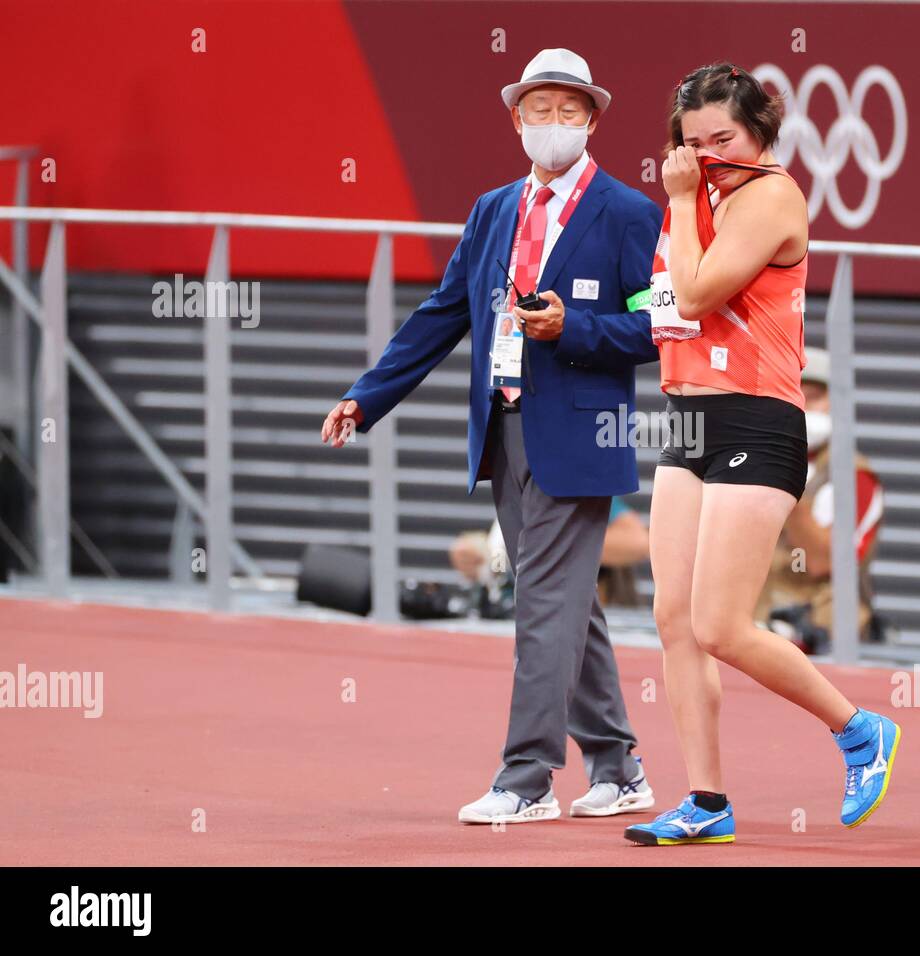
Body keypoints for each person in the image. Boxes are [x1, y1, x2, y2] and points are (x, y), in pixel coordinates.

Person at [321, 48, 662, 824]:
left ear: (592, 120)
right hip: (503, 431)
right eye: (537, 109)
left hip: (581, 436)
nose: (552, 123)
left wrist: (572, 328)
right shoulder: (491, 211)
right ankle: (619, 767)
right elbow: (441, 315)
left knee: (542, 602)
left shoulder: (631, 214)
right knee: (568, 604)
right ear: (515, 119)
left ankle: (527, 779)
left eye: (567, 109)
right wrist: (366, 397)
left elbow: (658, 326)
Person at [624, 63, 901, 847]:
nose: (709, 153)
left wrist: (680, 200)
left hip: (756, 421)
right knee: (673, 619)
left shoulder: (770, 194)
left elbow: (703, 290)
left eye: (725, 139)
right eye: (693, 143)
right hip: (687, 417)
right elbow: (669, 305)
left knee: (719, 623)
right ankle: (706, 802)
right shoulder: (700, 200)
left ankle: (858, 730)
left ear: (760, 133)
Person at [754, 347, 885, 654]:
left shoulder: (854, 476)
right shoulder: (749, 461)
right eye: (790, 395)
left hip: (824, 639)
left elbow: (823, 562)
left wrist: (786, 485)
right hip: (756, 629)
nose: (801, 407)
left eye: (813, 397)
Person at [451, 495, 650, 608]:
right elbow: (501, 562)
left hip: (573, 614)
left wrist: (555, 542)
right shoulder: (514, 500)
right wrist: (478, 558)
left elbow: (638, 543)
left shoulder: (579, 494)